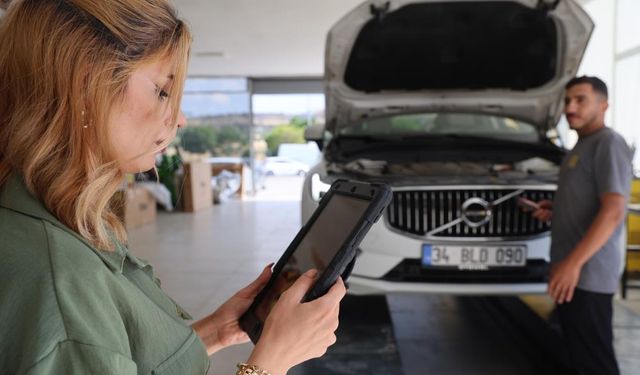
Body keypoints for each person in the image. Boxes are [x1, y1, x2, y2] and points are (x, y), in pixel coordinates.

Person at [0, 1, 346, 374]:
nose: (179, 119)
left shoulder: (57, 215)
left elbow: (117, 349)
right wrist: (270, 362)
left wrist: (214, 332)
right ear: (87, 86)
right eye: (162, 91)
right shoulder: (63, 285)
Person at [530, 76, 632, 375]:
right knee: (576, 354)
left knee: (593, 360)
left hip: (587, 273)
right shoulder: (583, 145)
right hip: (573, 273)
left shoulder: (608, 143)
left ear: (604, 105)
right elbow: (591, 200)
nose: (570, 107)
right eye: (567, 101)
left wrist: (573, 264)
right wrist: (557, 209)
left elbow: (614, 210)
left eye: (580, 100)